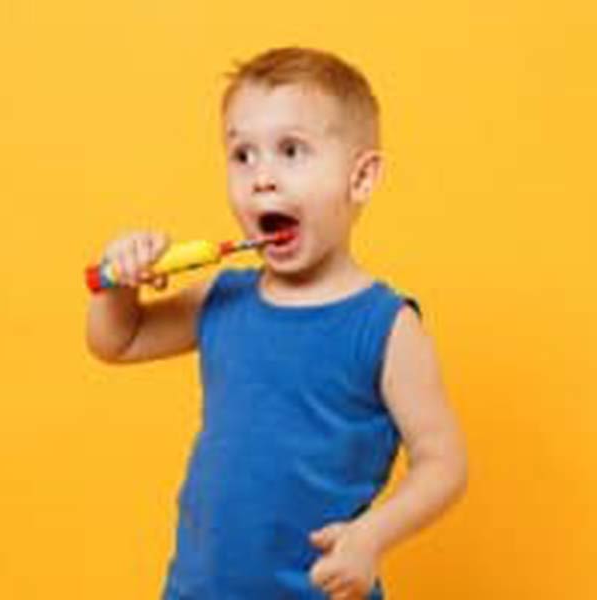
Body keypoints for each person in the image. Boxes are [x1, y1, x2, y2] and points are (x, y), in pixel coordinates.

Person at [85, 46, 468, 600]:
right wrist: (120, 283)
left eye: (291, 151)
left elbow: (444, 464)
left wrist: (370, 538)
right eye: (242, 155)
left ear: (360, 178)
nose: (262, 177)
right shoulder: (224, 296)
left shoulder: (385, 325)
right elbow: (119, 340)